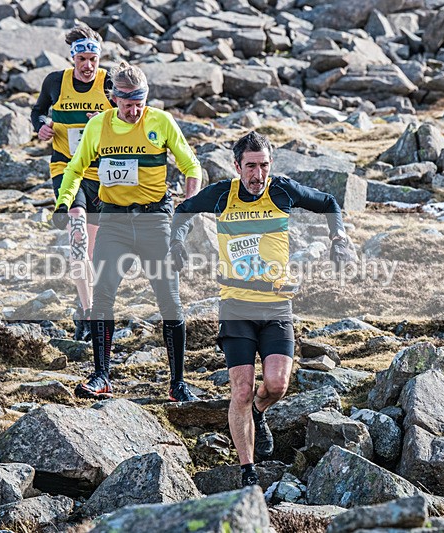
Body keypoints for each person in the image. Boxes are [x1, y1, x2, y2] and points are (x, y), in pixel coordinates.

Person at [169, 131, 356, 487]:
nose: (258, 175)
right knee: (240, 389)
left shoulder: (282, 191)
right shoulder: (222, 194)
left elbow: (330, 202)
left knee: (276, 384)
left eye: (264, 166)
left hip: (277, 306)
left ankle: (259, 411)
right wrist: (176, 243)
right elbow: (183, 211)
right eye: (251, 167)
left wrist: (339, 238)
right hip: (236, 305)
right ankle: (247, 471)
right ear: (237, 166)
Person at [53, 61, 203, 402]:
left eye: (140, 104)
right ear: (114, 99)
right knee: (102, 294)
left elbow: (191, 166)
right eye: (128, 104)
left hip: (155, 220)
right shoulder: (98, 126)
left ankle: (177, 382)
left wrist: (186, 211)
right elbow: (74, 169)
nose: (135, 111)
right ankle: (101, 375)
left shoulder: (160, 121)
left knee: (170, 300)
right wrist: (64, 203)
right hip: (114, 220)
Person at [31, 25, 113, 341]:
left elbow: (130, 118)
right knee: (76, 233)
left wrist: (106, 122)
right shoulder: (55, 82)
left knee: (92, 249)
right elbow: (37, 111)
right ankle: (91, 312)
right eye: (83, 59)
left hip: (103, 172)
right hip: (66, 168)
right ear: (73, 58)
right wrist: (41, 126)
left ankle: (82, 308)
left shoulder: (109, 84)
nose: (88, 65)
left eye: (93, 58)